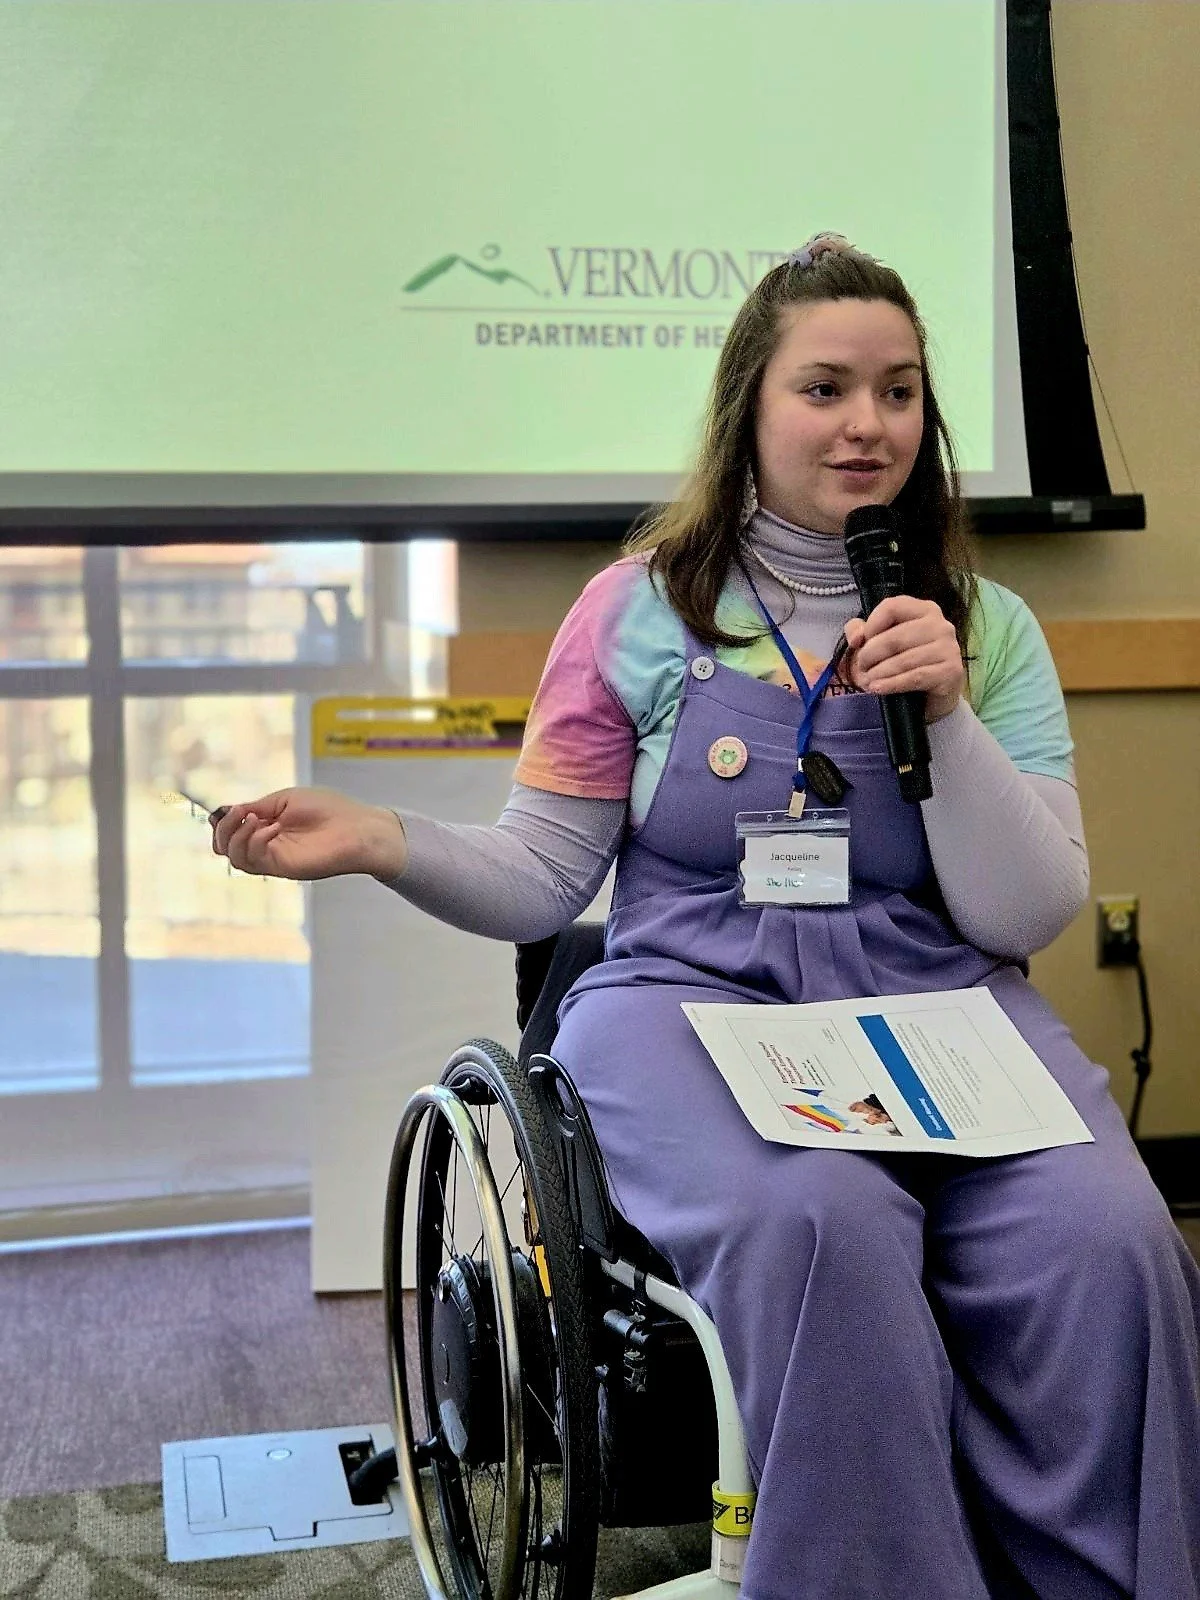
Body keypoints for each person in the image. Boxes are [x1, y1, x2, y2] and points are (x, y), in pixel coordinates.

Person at [212, 234, 1200, 1600]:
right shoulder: (634, 613)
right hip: (691, 1002)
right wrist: (383, 840)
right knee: (822, 1225)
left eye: (901, 391)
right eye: (827, 388)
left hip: (937, 1009)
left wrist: (950, 714)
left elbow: (1021, 905)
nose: (868, 424)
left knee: (1112, 1240)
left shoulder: (990, 626)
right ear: (751, 407)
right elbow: (546, 876)